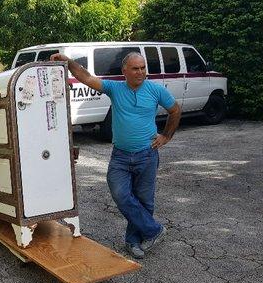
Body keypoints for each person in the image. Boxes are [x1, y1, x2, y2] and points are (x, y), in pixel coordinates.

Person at [51, 52, 181, 259]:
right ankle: (154, 230)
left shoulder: (156, 90)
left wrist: (166, 136)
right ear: (125, 71)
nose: (140, 72)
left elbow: (175, 110)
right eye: (135, 68)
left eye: (143, 68)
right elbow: (86, 77)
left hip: (147, 155)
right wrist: (68, 62)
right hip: (120, 156)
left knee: (145, 200)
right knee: (121, 195)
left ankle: (133, 242)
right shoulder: (115, 88)